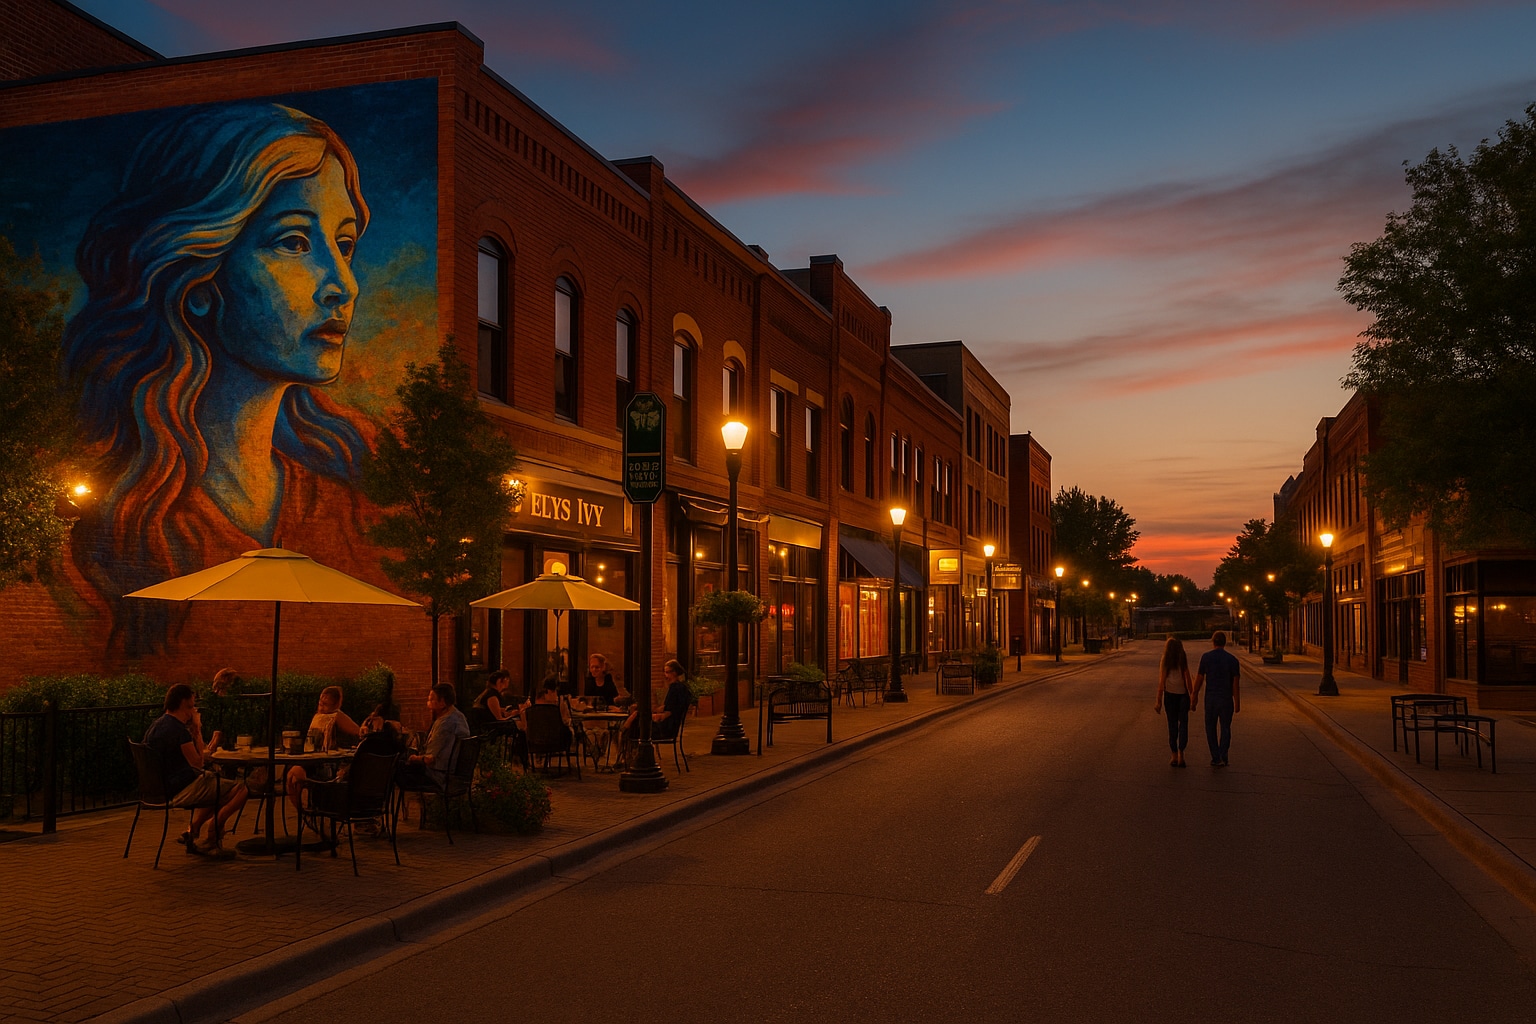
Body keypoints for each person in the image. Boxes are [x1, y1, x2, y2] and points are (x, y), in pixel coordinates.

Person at [62, 102, 381, 656]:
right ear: (199, 275)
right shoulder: (93, 522)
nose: (343, 285)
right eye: (294, 243)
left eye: (345, 245)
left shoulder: (357, 493)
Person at [142, 684, 248, 858]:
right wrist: (197, 731)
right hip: (177, 788)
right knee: (240, 790)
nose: (194, 708)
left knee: (219, 789)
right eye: (192, 704)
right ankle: (212, 835)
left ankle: (194, 830)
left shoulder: (157, 725)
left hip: (157, 789)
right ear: (185, 704)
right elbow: (198, 763)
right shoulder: (177, 730)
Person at [285, 686, 362, 826]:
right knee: (292, 776)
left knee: (295, 775)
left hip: (325, 763)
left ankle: (310, 812)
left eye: (325, 704)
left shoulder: (336, 716)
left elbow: (358, 731)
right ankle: (304, 812)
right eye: (320, 702)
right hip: (312, 759)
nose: (321, 705)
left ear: (334, 705)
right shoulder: (318, 716)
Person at [618, 660, 692, 765]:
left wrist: (652, 715)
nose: (666, 675)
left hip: (665, 729)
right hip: (671, 727)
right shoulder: (682, 688)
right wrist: (653, 710)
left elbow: (667, 713)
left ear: (675, 672)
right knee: (636, 721)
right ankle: (629, 756)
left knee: (635, 725)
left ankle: (629, 757)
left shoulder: (675, 688)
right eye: (665, 672)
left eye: (668, 672)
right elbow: (669, 708)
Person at [396, 684, 470, 789]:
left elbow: (429, 759)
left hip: (439, 777)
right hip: (454, 773)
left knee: (396, 766)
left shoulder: (444, 724)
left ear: (442, 702)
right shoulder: (459, 717)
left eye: (431, 699)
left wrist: (413, 758)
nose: (428, 703)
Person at [1191, 631, 1242, 768]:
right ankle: (1223, 753)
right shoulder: (1232, 660)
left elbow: (1199, 679)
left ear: (1213, 642)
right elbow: (1235, 684)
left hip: (1211, 698)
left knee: (1210, 727)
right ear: (1224, 643)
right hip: (1226, 698)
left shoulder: (1206, 658)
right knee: (1225, 727)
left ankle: (1216, 756)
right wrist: (1237, 702)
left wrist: (1194, 697)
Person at [1155, 637, 1193, 767]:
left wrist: (1158, 700)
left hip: (1170, 695)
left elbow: (1162, 681)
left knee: (1172, 725)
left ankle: (1174, 755)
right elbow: (1187, 678)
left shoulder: (1165, 661)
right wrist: (1192, 695)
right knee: (1183, 725)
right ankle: (1182, 753)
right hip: (1183, 695)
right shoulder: (1182, 659)